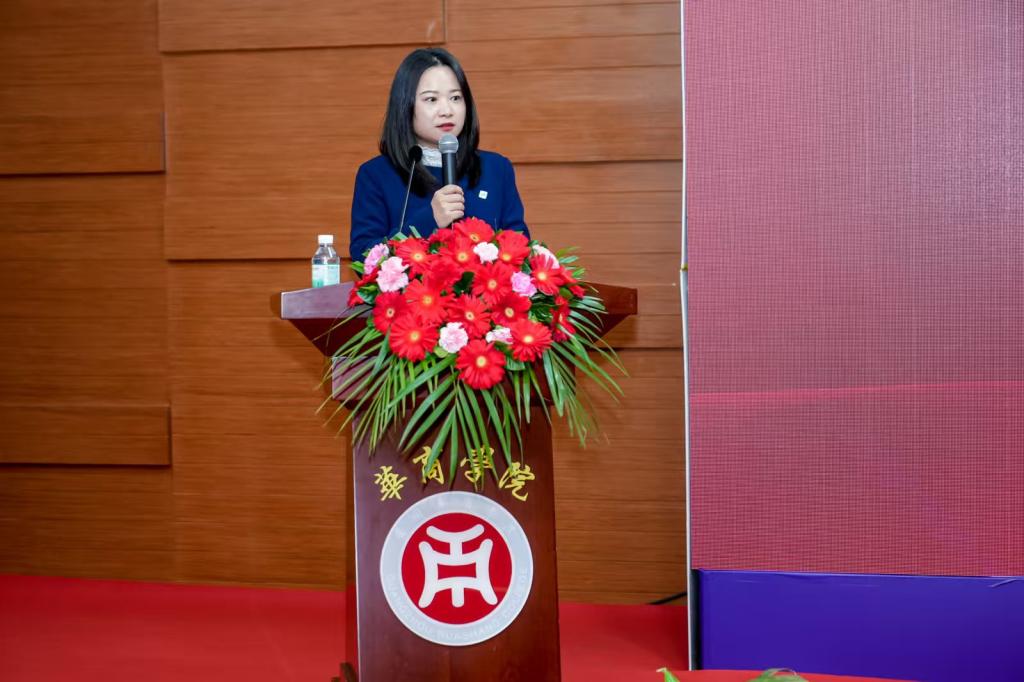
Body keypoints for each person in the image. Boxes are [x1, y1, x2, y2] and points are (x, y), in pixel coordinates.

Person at [348, 48, 530, 262]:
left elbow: (521, 248)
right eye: (431, 99)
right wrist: (429, 219)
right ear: (405, 105)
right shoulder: (376, 174)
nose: (447, 110)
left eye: (455, 97)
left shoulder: (496, 168)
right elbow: (363, 256)